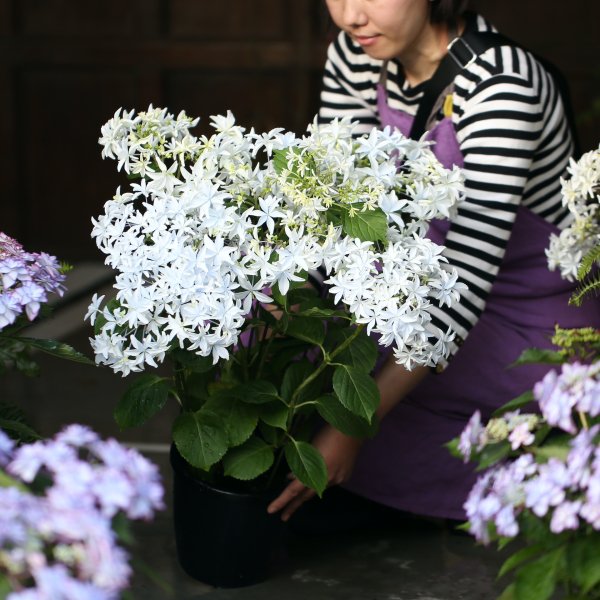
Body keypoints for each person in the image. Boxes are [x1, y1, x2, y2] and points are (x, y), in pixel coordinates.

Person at [267, 0, 600, 525]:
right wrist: (290, 307)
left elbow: (467, 277)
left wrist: (354, 423)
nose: (349, 16)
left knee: (347, 420)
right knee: (257, 333)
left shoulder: (500, 84)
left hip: (522, 323)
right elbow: (335, 207)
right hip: (415, 287)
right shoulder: (357, 55)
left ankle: (539, 468)